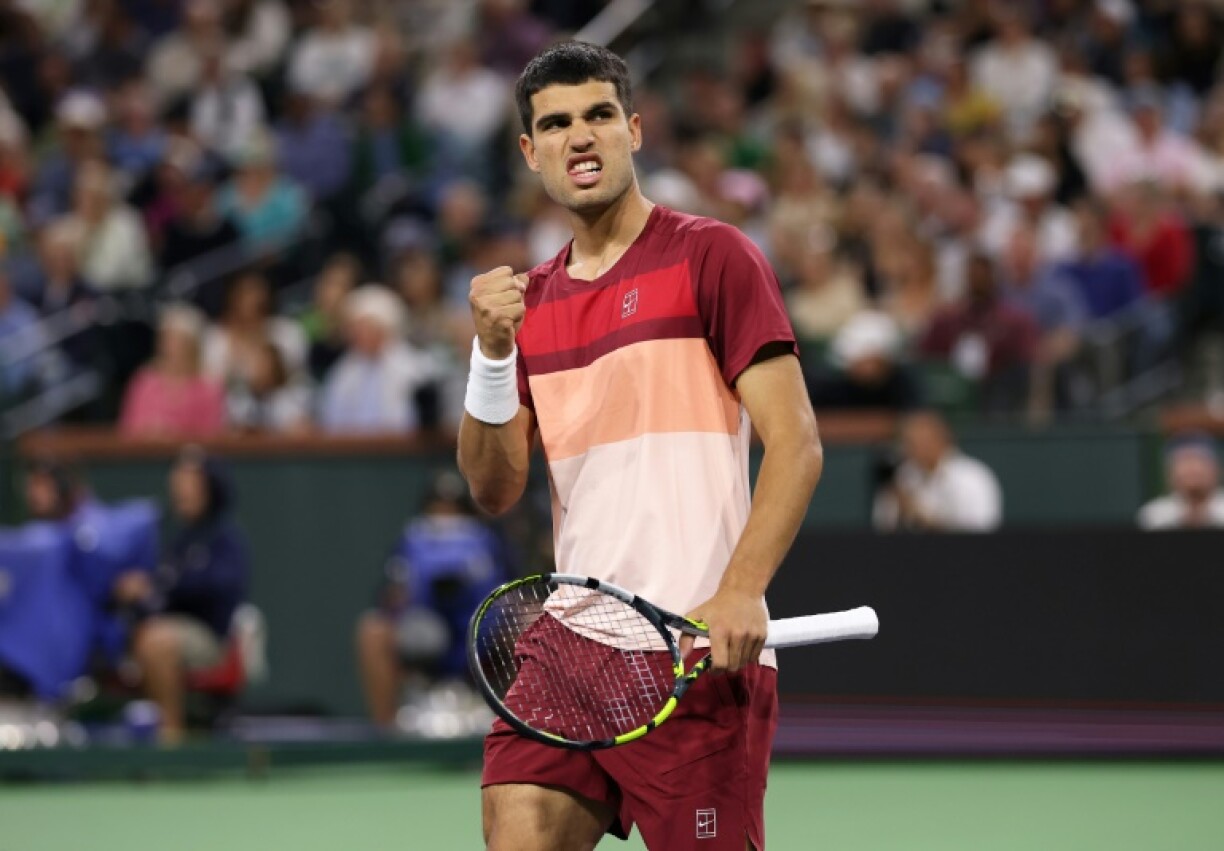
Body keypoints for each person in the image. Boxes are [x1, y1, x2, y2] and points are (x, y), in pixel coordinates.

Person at [458, 43, 821, 851]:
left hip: (697, 645)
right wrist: (489, 353)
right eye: (555, 124)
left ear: (633, 130)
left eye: (596, 116)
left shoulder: (712, 255)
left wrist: (740, 591)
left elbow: (796, 444)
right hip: (571, 642)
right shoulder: (529, 304)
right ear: (531, 151)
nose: (578, 137)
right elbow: (492, 486)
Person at [354, 471, 510, 730]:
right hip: (424, 631)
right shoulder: (411, 541)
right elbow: (389, 597)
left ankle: (520, 729)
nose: (445, 518)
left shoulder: (489, 542)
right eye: (438, 509)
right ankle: (387, 733)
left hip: (481, 634)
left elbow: (513, 593)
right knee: (372, 631)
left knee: (529, 627)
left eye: (453, 510)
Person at [119, 448, 249, 743]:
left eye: (190, 485)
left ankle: (171, 738)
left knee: (156, 641)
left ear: (209, 489)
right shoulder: (176, 537)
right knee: (142, 635)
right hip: (162, 627)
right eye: (178, 486)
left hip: (209, 638)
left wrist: (163, 585)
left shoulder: (225, 538)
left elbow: (218, 589)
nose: (182, 493)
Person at [873, 411, 1002, 532]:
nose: (909, 449)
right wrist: (900, 512)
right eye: (907, 442)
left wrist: (926, 519)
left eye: (918, 441)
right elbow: (882, 524)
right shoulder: (902, 476)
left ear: (941, 439)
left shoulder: (973, 476)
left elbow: (982, 528)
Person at [1137, 434, 1224, 530]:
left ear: (1217, 469)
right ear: (1169, 473)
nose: (1192, 469)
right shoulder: (1154, 515)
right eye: (1185, 462)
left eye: (1200, 461)